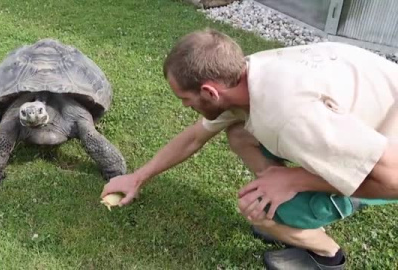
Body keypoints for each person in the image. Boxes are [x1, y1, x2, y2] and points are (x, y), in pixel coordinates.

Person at [101, 28, 398, 269]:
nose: (185, 106)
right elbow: (194, 137)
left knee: (259, 212)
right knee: (240, 133)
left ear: (209, 92)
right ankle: (287, 210)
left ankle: (327, 255)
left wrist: (294, 180)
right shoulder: (248, 75)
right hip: (357, 123)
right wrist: (137, 177)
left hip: (387, 154)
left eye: (184, 99)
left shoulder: (290, 118)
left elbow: (394, 181)